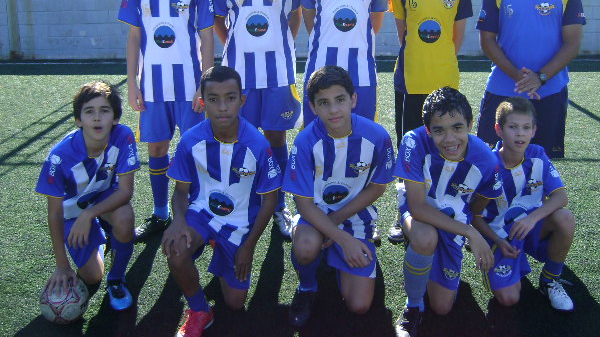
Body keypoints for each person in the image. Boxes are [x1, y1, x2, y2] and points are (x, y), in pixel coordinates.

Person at [162, 66, 281, 337]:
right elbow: (181, 192)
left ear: (242, 100)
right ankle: (199, 310)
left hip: (239, 224)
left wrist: (249, 246)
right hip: (202, 213)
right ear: (202, 102)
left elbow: (270, 201)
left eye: (230, 98)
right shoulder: (191, 140)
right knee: (176, 249)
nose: (223, 107)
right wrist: (178, 221)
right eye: (214, 99)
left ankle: (221, 248)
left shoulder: (258, 145)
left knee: (235, 304)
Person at [118, 0, 215, 242]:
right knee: (157, 149)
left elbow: (206, 37)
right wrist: (133, 84)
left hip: (189, 86)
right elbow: (134, 37)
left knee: (195, 149)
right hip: (153, 87)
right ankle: (160, 212)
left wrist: (205, 84)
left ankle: (196, 211)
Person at [213, 0, 301, 240]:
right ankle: (243, 203)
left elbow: (295, 15)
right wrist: (233, 46)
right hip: (240, 75)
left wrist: (282, 44)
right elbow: (218, 19)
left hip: (278, 72)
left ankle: (279, 205)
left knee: (276, 137)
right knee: (241, 137)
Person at [283, 65, 395, 328]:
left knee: (359, 306)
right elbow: (304, 204)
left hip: (355, 217)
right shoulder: (305, 142)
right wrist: (342, 238)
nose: (333, 109)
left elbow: (378, 187)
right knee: (306, 246)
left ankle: (338, 258)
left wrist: (336, 228)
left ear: (353, 99)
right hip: (315, 217)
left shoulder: (377, 137)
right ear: (313, 107)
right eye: (324, 103)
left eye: (340, 99)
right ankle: (307, 287)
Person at [387, 0, 473, 244]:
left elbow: (456, 38)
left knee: (448, 146)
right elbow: (404, 35)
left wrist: (439, 62)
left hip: (445, 81)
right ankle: (404, 212)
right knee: (409, 148)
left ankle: (447, 210)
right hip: (410, 82)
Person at [476, 0, 586, 159]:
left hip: (550, 90)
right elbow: (487, 40)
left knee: (542, 164)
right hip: (504, 87)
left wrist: (541, 77)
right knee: (489, 161)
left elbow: (573, 42)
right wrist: (521, 78)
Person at [394, 87, 500, 337]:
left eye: (457, 127)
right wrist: (471, 233)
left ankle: (430, 259)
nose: (450, 139)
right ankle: (413, 307)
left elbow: (479, 204)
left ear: (470, 125)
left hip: (454, 218)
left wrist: (469, 225)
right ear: (428, 130)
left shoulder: (486, 159)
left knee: (442, 307)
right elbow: (418, 207)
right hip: (418, 209)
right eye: (439, 130)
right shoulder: (414, 141)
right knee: (425, 238)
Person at [36, 81, 139, 311]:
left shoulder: (123, 136)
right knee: (92, 277)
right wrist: (62, 265)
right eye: (89, 111)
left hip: (101, 200)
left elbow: (125, 191)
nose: (97, 118)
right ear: (78, 120)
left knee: (124, 217)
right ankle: (100, 239)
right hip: (72, 213)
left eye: (104, 110)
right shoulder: (59, 157)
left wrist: (89, 214)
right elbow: (54, 213)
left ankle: (116, 280)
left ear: (115, 118)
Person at [470, 97, 576, 311]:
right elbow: (474, 215)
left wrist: (532, 218)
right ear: (499, 130)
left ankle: (549, 280)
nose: (520, 134)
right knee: (509, 299)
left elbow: (561, 197)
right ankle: (504, 265)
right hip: (499, 235)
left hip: (531, 227)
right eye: (513, 127)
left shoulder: (538, 155)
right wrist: (498, 241)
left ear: (534, 131)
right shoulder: (489, 166)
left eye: (526, 127)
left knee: (565, 218)